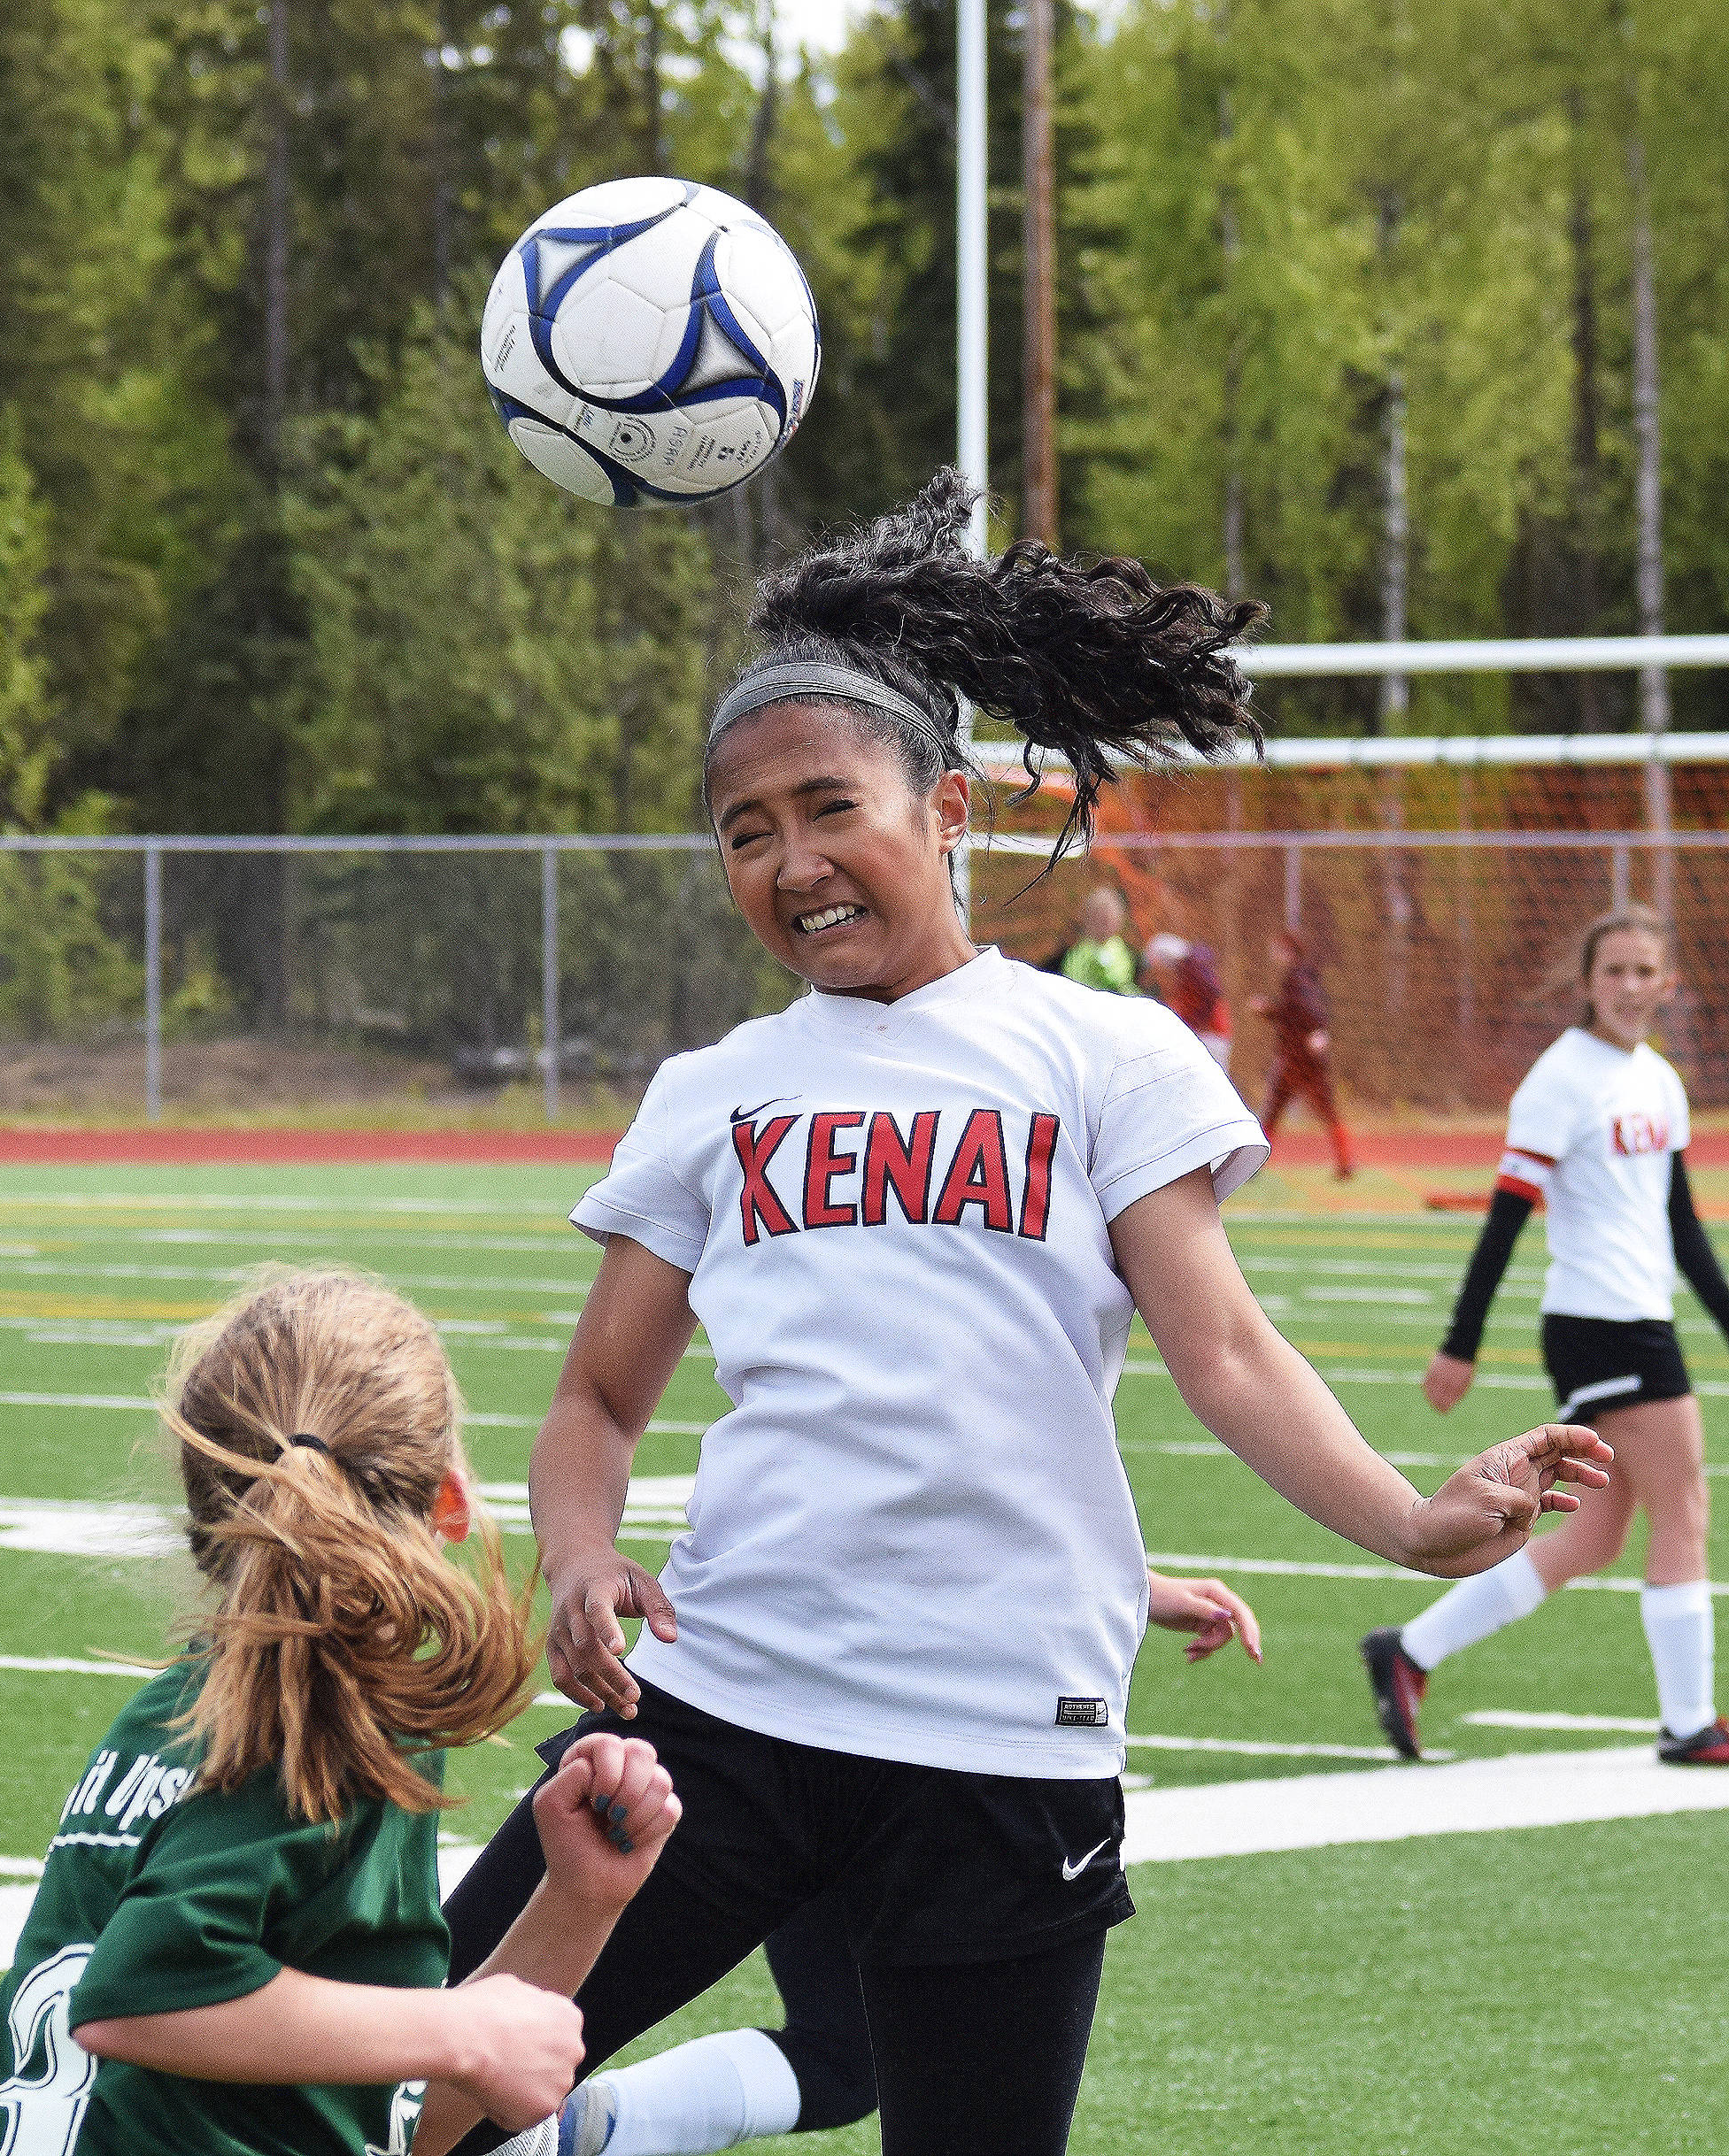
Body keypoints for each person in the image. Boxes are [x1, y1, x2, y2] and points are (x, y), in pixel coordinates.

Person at [441, 472, 1609, 2156]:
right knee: (406, 2096)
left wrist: (1413, 1522)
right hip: (722, 1718)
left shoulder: (1102, 1054)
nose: (792, 861)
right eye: (744, 829)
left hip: (1002, 1748)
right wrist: (575, 1556)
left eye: (830, 806)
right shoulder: (716, 1090)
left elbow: (1223, 1350)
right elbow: (596, 1407)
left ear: (956, 806)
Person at [0, 1268, 682, 2156]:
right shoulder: (328, 1723)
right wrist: (461, 2031)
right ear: (449, 1501)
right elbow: (143, 1997)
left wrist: (579, 1899)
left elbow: (400, 2126)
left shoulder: (184, 1709)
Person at [549, 1570, 1262, 2156]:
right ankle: (537, 2124)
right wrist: (579, 1546)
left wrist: (1127, 1578)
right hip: (821, 1716)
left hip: (823, 1703)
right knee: (462, 2066)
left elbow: (941, 1461)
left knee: (843, 2056)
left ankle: (579, 2127)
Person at [1363, 905, 1729, 1767]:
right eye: (1614, 972)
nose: (1630, 988)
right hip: (1601, 1327)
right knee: (1683, 1508)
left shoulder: (1657, 1083)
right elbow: (1502, 1219)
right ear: (1585, 983)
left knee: (1597, 1536)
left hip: (1637, 1318)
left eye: (1646, 972)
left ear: (1666, 984)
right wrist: (1460, 1340)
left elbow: (1680, 1228)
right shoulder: (1559, 1081)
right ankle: (1688, 1724)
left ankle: (1407, 1651)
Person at [1250, 928, 1354, 1178]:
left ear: (1288, 950)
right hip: (1301, 1056)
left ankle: (1254, 1165)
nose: (1274, 953)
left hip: (1298, 1057)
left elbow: (1305, 1010)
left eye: (1278, 948)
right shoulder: (1304, 976)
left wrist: (1268, 1010)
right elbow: (1298, 1011)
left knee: (1277, 1109)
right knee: (1316, 1109)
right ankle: (1345, 1163)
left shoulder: (1297, 978)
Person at [1145, 932, 1234, 1070]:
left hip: (1210, 1035)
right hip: (1212, 1032)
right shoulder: (1193, 968)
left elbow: (1198, 1007)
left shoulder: (1194, 971)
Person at [1046, 883, 1141, 995]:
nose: (1106, 925)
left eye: (1111, 919)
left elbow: (1126, 981)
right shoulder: (1078, 954)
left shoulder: (1121, 948)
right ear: (1089, 918)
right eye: (1101, 919)